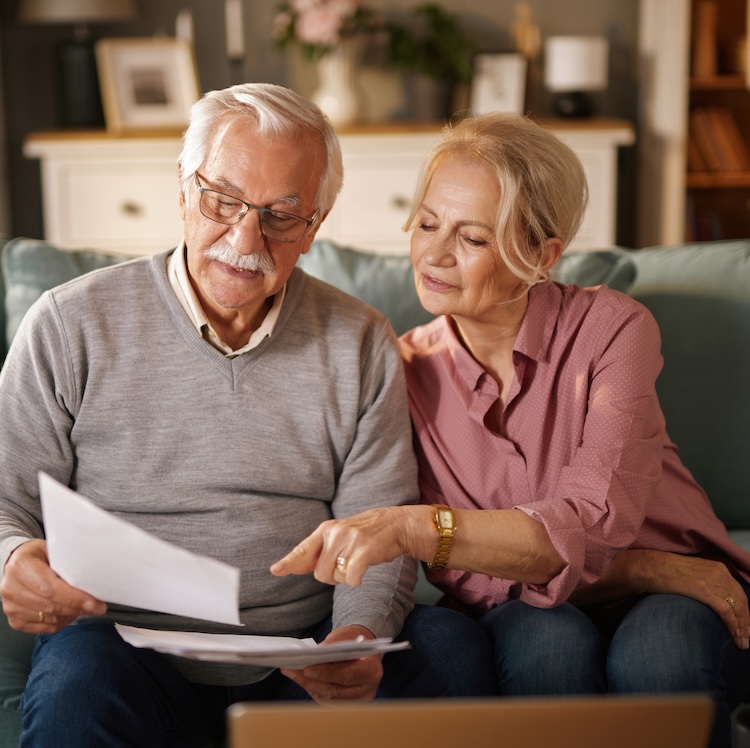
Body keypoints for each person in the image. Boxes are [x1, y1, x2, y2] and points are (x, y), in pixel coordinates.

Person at [0, 83, 496, 748]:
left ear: (315, 228)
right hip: (124, 650)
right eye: (221, 200)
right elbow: (7, 501)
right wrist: (14, 559)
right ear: (182, 190)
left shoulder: (360, 340)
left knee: (451, 648)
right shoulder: (68, 323)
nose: (243, 237)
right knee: (74, 676)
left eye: (280, 216)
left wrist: (356, 637)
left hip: (300, 658)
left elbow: (377, 528)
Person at [271, 112, 750, 748]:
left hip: (685, 589)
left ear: (542, 256)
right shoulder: (402, 369)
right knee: (544, 645)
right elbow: (469, 580)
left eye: (472, 239)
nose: (435, 255)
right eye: (428, 223)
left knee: (656, 653)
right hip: (570, 595)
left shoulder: (613, 330)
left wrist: (438, 535)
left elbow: (594, 518)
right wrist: (644, 569)